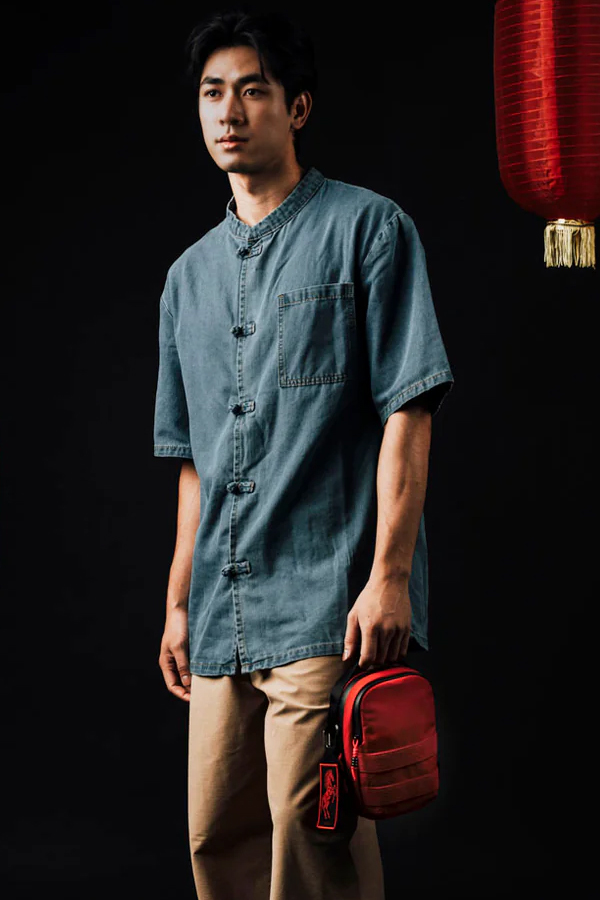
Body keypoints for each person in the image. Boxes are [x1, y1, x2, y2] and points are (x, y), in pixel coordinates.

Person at [153, 8, 455, 900]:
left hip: (328, 602)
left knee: (310, 832)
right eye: (213, 92)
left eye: (253, 90)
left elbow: (409, 409)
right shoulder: (186, 279)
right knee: (217, 837)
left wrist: (390, 577)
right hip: (220, 610)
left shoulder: (369, 229)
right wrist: (177, 604)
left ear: (298, 106)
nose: (229, 111)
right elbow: (193, 459)